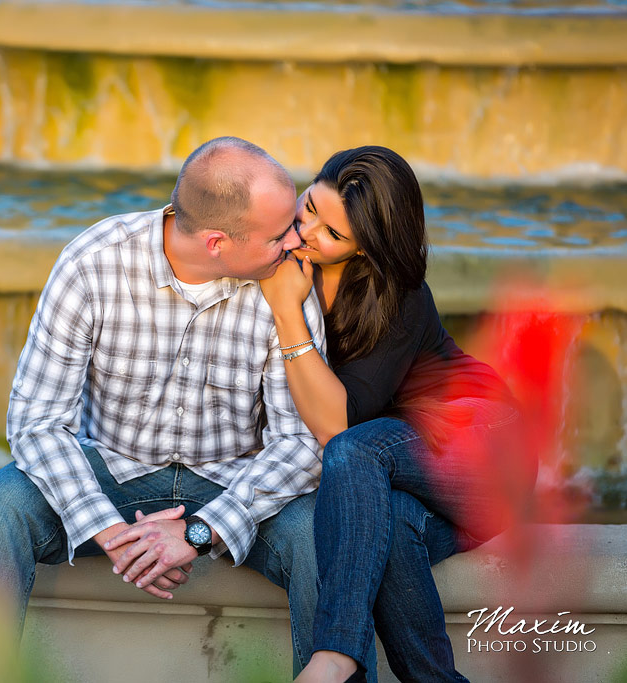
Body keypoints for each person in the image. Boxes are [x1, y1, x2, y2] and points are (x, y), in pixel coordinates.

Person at [0, 136, 377, 681]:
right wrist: (109, 533)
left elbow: (300, 444)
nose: (296, 242)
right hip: (112, 470)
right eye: (279, 233)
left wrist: (202, 531)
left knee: (319, 533)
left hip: (230, 477)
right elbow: (36, 420)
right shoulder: (93, 264)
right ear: (217, 242)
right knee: (0, 506)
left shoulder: (284, 280)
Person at [259, 146, 538, 682]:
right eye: (311, 205)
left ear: (367, 249)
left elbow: (337, 430)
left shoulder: (399, 294)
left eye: (333, 233)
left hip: (483, 446)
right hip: (408, 472)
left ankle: (334, 657)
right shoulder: (294, 263)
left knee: (355, 451)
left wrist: (287, 313)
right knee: (378, 528)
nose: (309, 228)